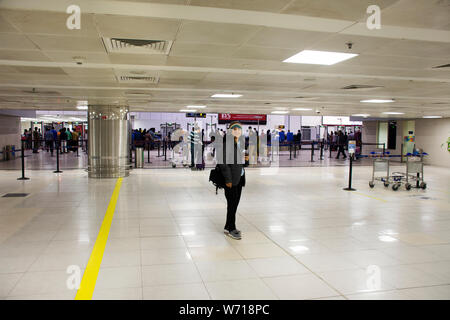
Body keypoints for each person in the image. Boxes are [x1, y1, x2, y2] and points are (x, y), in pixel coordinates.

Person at [218, 122, 248, 240]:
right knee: (232, 204)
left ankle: (227, 226)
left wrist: (245, 160)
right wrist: (228, 180)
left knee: (234, 204)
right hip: (231, 180)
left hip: (239, 178)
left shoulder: (238, 144)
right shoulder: (227, 144)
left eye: (239, 129)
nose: (237, 131)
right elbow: (223, 163)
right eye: (235, 129)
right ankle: (231, 228)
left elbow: (238, 162)